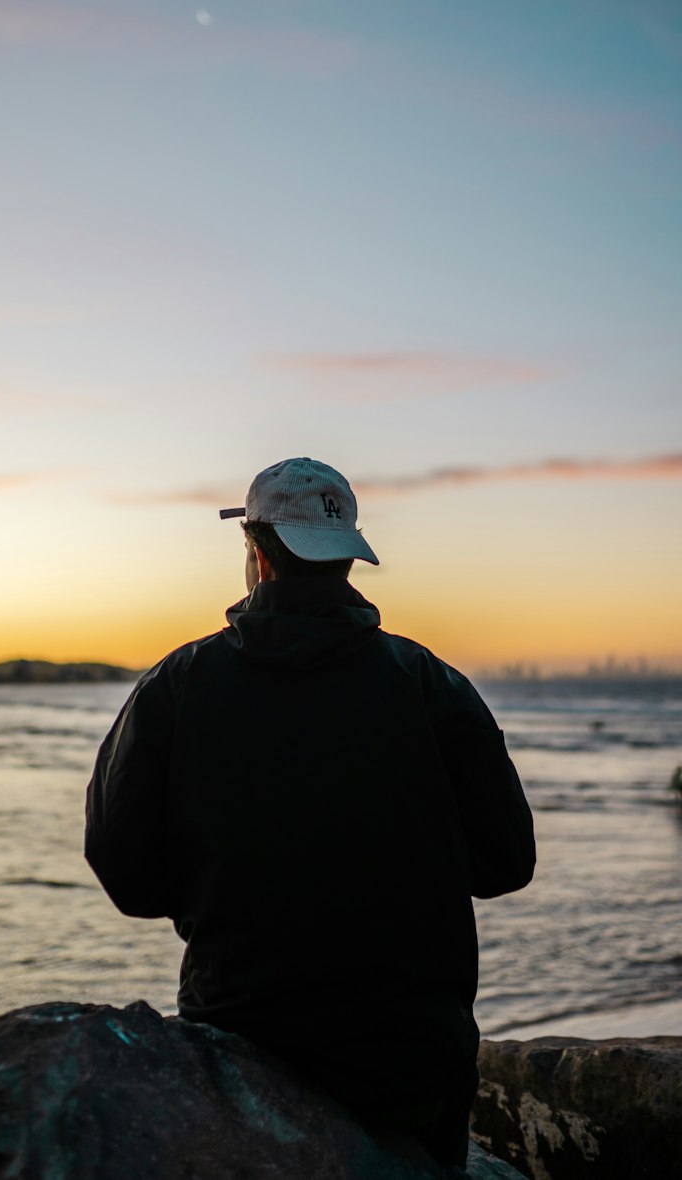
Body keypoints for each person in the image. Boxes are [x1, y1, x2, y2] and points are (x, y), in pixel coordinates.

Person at [85, 456, 535, 1168]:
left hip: (242, 1050)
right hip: (413, 1061)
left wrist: (220, 890)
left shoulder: (178, 685)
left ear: (256, 551)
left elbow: (126, 873)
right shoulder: (432, 684)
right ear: (347, 560)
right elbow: (506, 864)